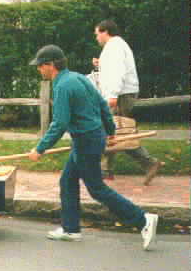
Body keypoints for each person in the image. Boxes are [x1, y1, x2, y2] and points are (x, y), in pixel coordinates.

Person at [28, 44, 158, 250]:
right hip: (92, 137)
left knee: (96, 189)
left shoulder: (62, 86)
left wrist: (40, 149)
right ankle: (71, 229)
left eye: (41, 65)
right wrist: (110, 132)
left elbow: (60, 123)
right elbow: (102, 105)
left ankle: (143, 220)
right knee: (68, 180)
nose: (38, 69)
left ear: (51, 65)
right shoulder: (78, 77)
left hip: (86, 141)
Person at [92, 20, 163, 183]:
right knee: (112, 131)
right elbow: (113, 69)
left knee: (118, 131)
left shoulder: (114, 47)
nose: (96, 38)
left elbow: (117, 72)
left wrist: (113, 95)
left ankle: (149, 163)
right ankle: (106, 170)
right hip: (121, 93)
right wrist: (100, 63)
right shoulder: (115, 46)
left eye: (97, 34)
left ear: (105, 32)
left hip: (121, 95)